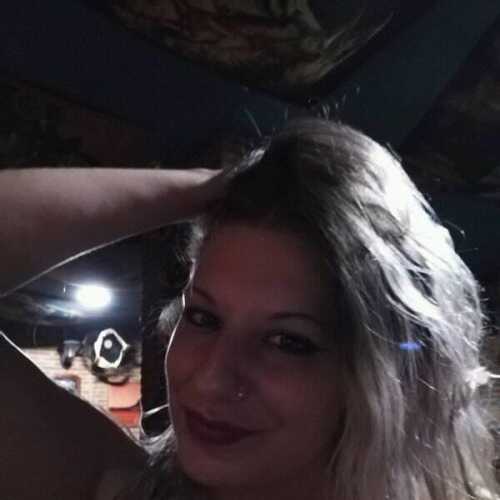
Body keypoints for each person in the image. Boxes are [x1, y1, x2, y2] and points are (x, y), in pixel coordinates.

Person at [0, 118, 497, 500]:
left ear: (383, 374)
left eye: (288, 342)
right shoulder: (123, 488)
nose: (213, 378)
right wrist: (216, 187)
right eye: (204, 318)